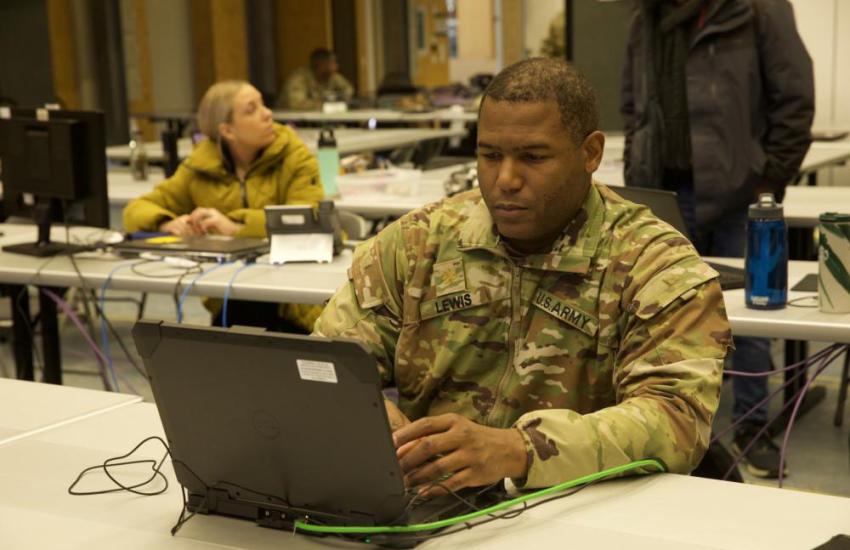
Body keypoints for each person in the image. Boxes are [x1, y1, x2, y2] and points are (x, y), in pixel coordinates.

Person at [314, 58, 731, 495]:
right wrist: (368, 412)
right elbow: (323, 364)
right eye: (490, 156)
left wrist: (521, 450)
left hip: (583, 507)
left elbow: (676, 419)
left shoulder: (654, 264)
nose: (505, 179)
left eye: (533, 157)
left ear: (591, 153)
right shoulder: (419, 242)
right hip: (431, 501)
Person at [621, 0, 814, 478]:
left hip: (739, 190)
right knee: (667, 315)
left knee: (751, 316)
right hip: (664, 189)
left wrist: (769, 181)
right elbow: (633, 105)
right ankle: (681, 430)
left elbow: (795, 100)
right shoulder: (646, 19)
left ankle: (753, 425)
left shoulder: (759, 11)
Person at [123, 80, 324, 332]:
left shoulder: (295, 157)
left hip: (293, 298)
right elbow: (135, 211)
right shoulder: (200, 166)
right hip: (231, 296)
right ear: (228, 131)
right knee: (231, 330)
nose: (268, 113)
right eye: (252, 109)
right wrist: (166, 222)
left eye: (263, 104)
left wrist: (236, 226)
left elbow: (309, 220)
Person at [278, 48, 354, 110]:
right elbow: (296, 104)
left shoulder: (332, 76)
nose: (336, 67)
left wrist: (339, 100)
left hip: (316, 118)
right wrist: (324, 106)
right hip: (289, 121)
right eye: (332, 63)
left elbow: (348, 90)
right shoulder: (299, 78)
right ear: (321, 65)